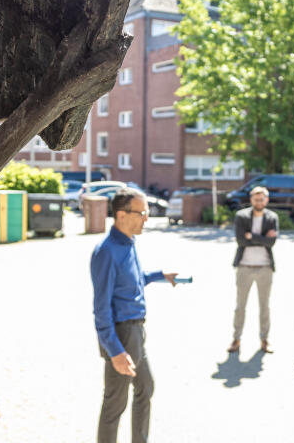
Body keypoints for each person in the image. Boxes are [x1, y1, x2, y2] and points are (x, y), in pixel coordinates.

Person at [91, 188, 179, 443]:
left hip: (136, 333)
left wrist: (160, 275)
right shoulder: (106, 251)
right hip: (121, 335)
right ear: (121, 215)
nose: (146, 218)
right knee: (115, 404)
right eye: (141, 213)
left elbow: (133, 280)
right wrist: (115, 351)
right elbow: (101, 308)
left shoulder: (128, 244)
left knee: (145, 388)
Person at [228, 186, 279, 354]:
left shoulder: (272, 217)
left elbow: (271, 243)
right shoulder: (241, 216)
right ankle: (236, 339)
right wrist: (263, 238)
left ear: (266, 200)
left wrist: (253, 236)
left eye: (261, 199)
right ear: (251, 200)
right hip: (244, 266)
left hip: (265, 267)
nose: (259, 202)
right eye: (256, 199)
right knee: (240, 306)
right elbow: (241, 241)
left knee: (265, 306)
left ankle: (265, 340)